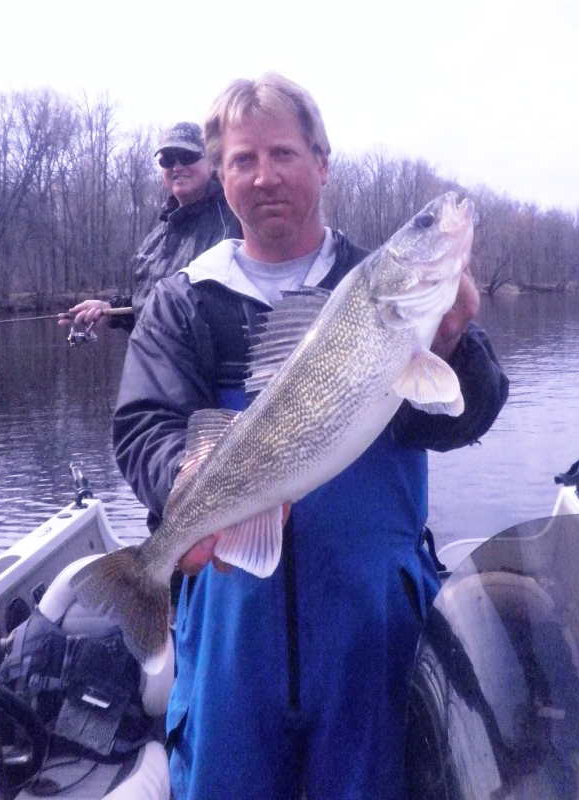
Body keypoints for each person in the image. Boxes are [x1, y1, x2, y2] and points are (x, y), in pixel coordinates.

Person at [112, 74, 509, 799]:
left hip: (372, 623)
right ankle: (144, 573)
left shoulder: (383, 287)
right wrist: (181, 476)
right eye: (241, 159)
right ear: (221, 178)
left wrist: (455, 350)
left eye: (284, 153)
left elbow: (466, 415)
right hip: (234, 633)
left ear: (322, 162)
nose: (264, 175)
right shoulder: (185, 301)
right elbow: (143, 425)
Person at [59, 121, 242, 333]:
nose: (177, 167)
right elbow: (150, 307)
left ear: (212, 162)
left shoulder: (235, 221)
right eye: (167, 159)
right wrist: (111, 311)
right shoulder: (157, 237)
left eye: (188, 156)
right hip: (151, 361)